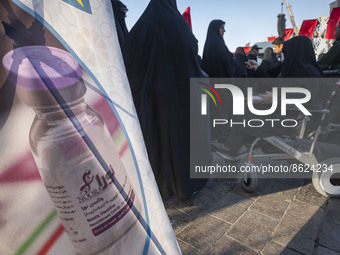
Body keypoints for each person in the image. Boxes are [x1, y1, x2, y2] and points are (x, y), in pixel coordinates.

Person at [122, 0, 211, 200]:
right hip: (181, 95)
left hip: (154, 96)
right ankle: (186, 184)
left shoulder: (145, 23)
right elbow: (192, 53)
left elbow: (128, 54)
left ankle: (161, 185)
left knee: (158, 139)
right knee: (182, 139)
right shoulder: (180, 25)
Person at [219, 36, 323, 155]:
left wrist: (275, 98)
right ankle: (237, 143)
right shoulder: (304, 70)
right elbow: (275, 85)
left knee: (245, 111)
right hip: (290, 114)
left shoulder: (307, 73)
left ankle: (232, 146)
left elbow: (307, 97)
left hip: (294, 120)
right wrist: (258, 69)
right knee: (245, 106)